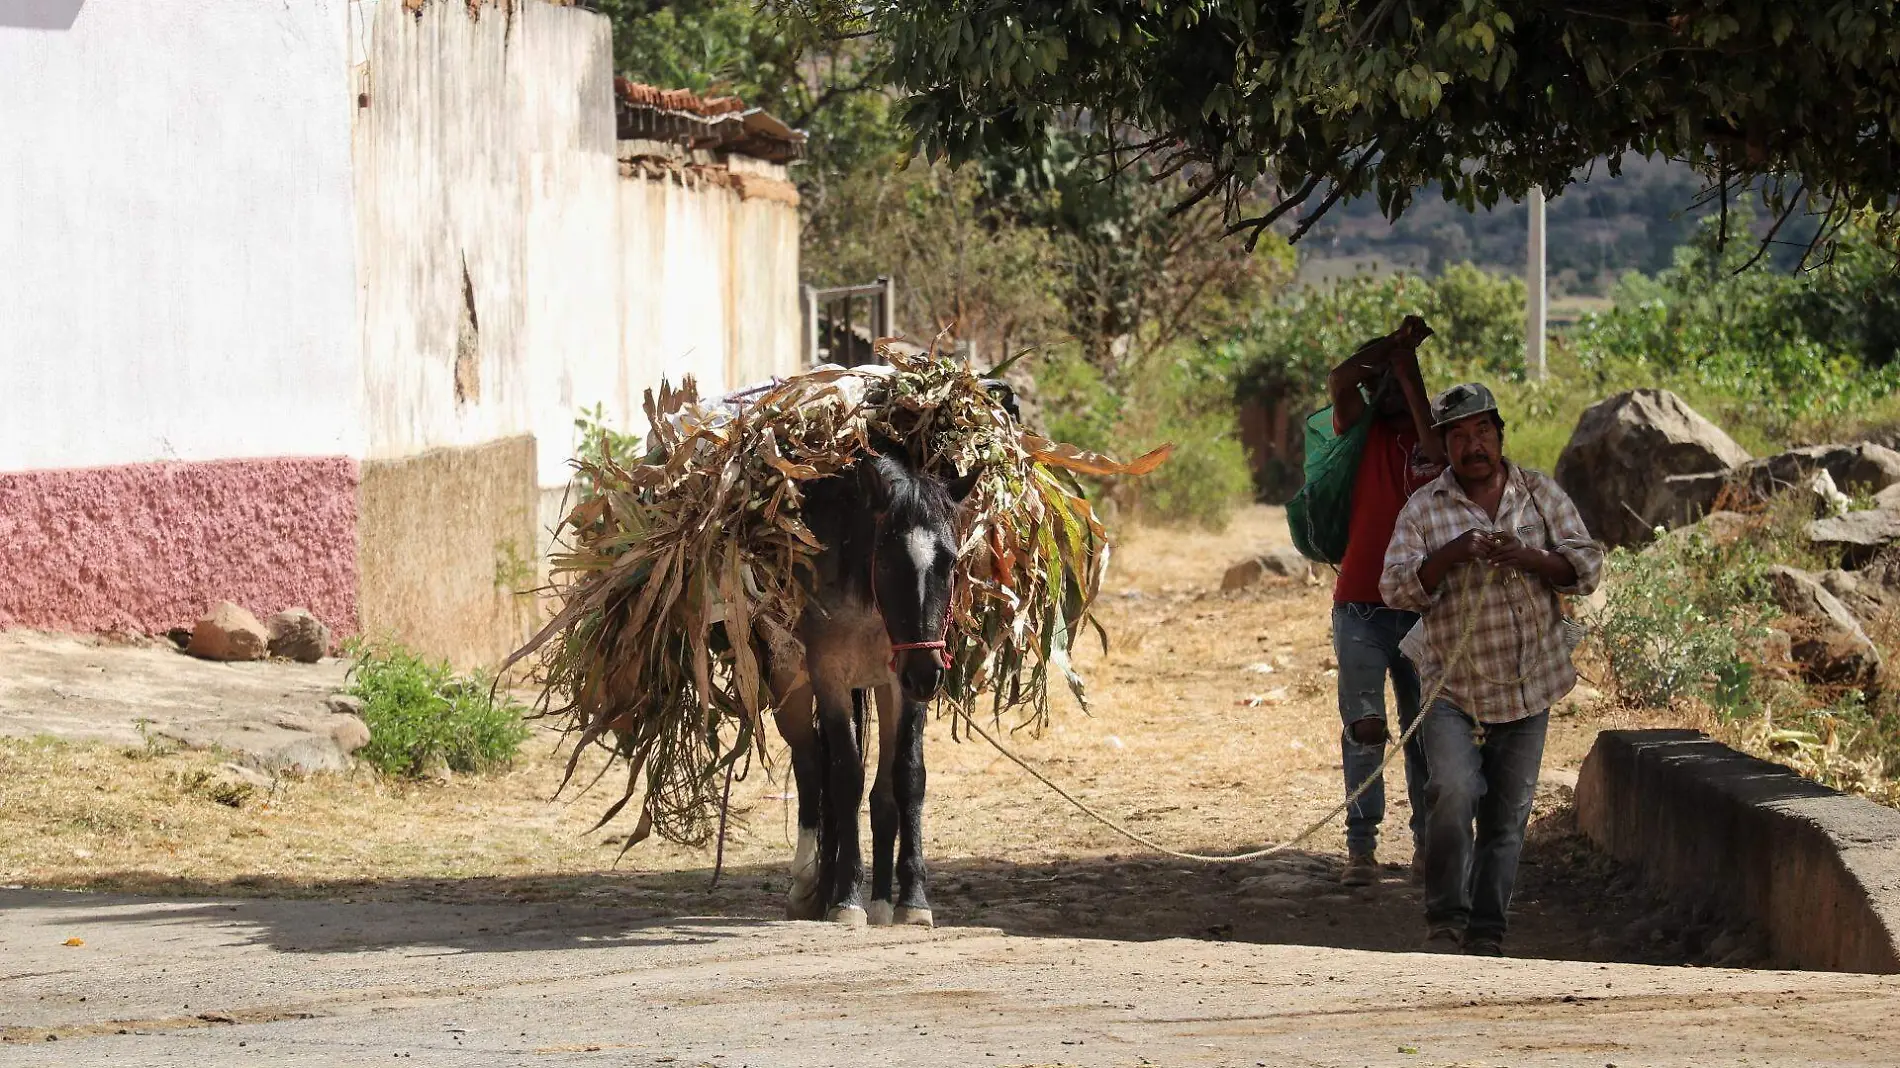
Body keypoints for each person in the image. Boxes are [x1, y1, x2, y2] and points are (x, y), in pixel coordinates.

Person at [1379, 382, 1603, 956]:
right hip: (1453, 685)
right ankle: (1445, 921)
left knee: (1507, 818)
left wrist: (1529, 558)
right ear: (1445, 447)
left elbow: (1586, 565)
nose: (1472, 445)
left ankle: (1487, 933)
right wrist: (1452, 554)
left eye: (1482, 432)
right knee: (1452, 791)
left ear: (1500, 436)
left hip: (1531, 684)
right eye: (1458, 436)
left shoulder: (1539, 495)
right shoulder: (1424, 509)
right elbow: (1395, 587)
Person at [1326, 316, 1445, 887]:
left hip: (1422, 606)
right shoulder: (1359, 433)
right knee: (1366, 726)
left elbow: (1430, 444)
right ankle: (1361, 849)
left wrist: (1406, 368)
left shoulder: (1434, 441)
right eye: (1389, 382)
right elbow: (1339, 379)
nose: (1396, 390)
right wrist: (1393, 350)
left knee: (1424, 727)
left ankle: (1427, 846)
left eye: (1408, 381)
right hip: (1359, 605)